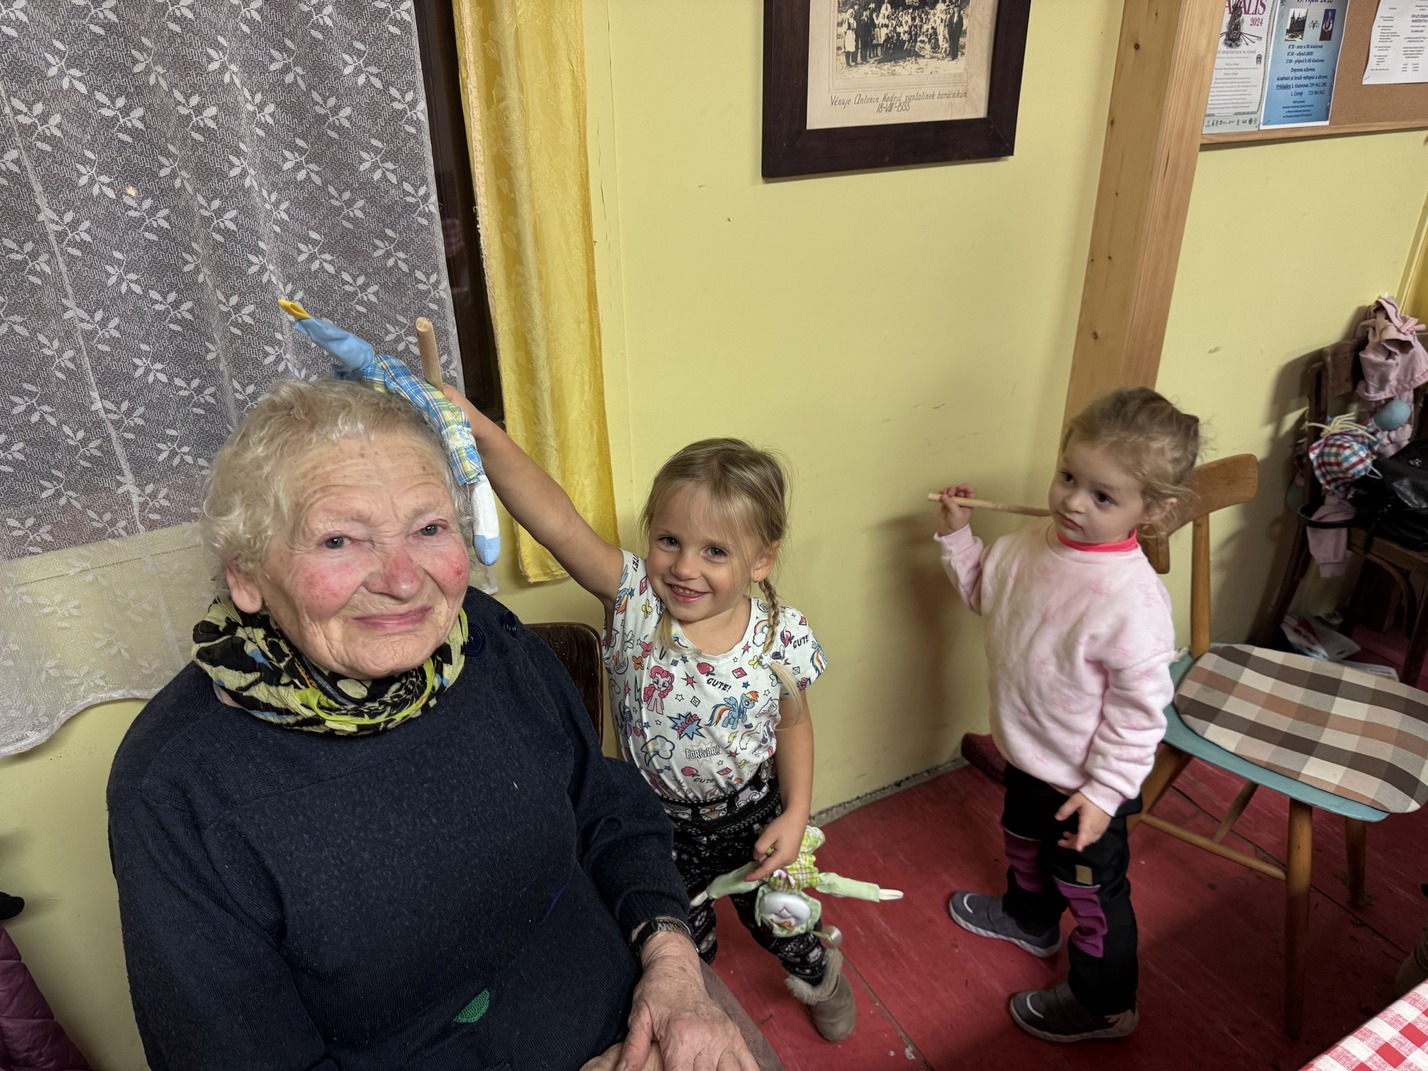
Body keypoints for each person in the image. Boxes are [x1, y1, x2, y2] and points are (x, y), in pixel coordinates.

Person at [107, 378, 779, 1071]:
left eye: (428, 528)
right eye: (339, 539)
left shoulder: (483, 639)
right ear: (246, 575)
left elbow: (606, 806)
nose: (403, 580)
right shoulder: (178, 786)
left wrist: (673, 967)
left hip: (647, 1007)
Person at [444, 388, 855, 1044]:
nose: (685, 567)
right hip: (654, 823)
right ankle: (703, 1011)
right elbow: (559, 522)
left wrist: (796, 811)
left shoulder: (782, 635)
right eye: (669, 540)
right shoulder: (633, 598)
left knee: (787, 923)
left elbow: (793, 724)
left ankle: (822, 976)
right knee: (682, 946)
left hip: (753, 815)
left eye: (715, 551)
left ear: (762, 558)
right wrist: (483, 435)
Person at [934, 387, 1200, 1043]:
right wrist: (958, 534)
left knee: (1092, 896)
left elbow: (1141, 716)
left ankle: (1104, 1004)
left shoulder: (1133, 603)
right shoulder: (1030, 543)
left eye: (1103, 497)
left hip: (1088, 785)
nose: (1073, 502)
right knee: (1023, 843)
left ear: (1152, 510)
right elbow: (985, 593)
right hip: (1028, 752)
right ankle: (1029, 920)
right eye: (1069, 477)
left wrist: (1105, 792)